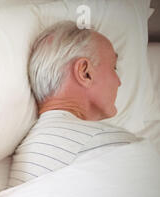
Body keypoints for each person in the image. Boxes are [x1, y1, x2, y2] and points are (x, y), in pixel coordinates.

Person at [8, 21, 139, 187]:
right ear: (85, 72)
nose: (119, 82)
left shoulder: (26, 152)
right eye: (114, 68)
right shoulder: (108, 143)